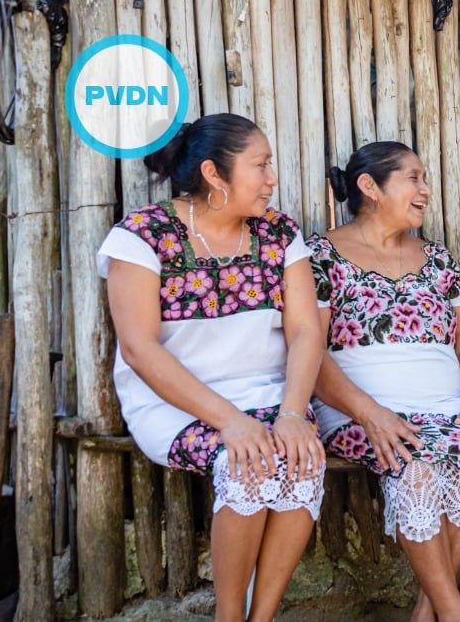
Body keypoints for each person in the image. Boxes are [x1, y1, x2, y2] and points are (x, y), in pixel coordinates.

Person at [98, 113, 326, 621]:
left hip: (269, 394)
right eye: (261, 166)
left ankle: (261, 616)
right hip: (174, 402)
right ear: (214, 174)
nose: (273, 179)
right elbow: (139, 349)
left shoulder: (278, 233)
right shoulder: (143, 234)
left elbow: (306, 331)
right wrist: (230, 421)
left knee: (303, 458)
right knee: (246, 464)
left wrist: (292, 412)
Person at [308, 142, 460, 622]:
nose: (425, 190)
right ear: (370, 187)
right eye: (413, 178)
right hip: (360, 406)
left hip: (443, 402)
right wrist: (369, 413)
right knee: (412, 465)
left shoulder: (436, 258)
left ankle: (424, 614)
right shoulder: (320, 255)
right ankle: (454, 612)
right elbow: (307, 350)